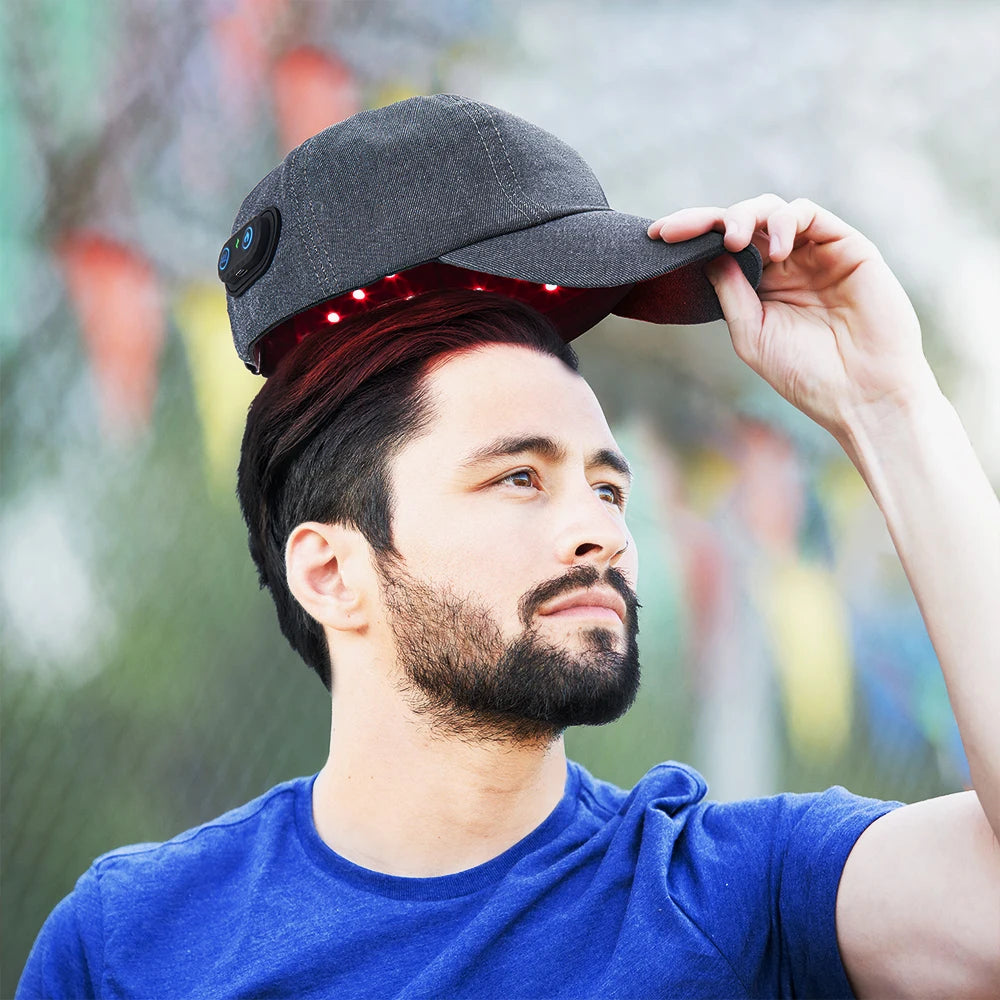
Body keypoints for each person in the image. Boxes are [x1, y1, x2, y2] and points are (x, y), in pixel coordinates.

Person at [18, 96, 999, 999]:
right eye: (518, 477)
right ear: (330, 570)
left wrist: (890, 408)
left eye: (609, 485)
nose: (601, 529)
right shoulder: (131, 942)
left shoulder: (738, 893)